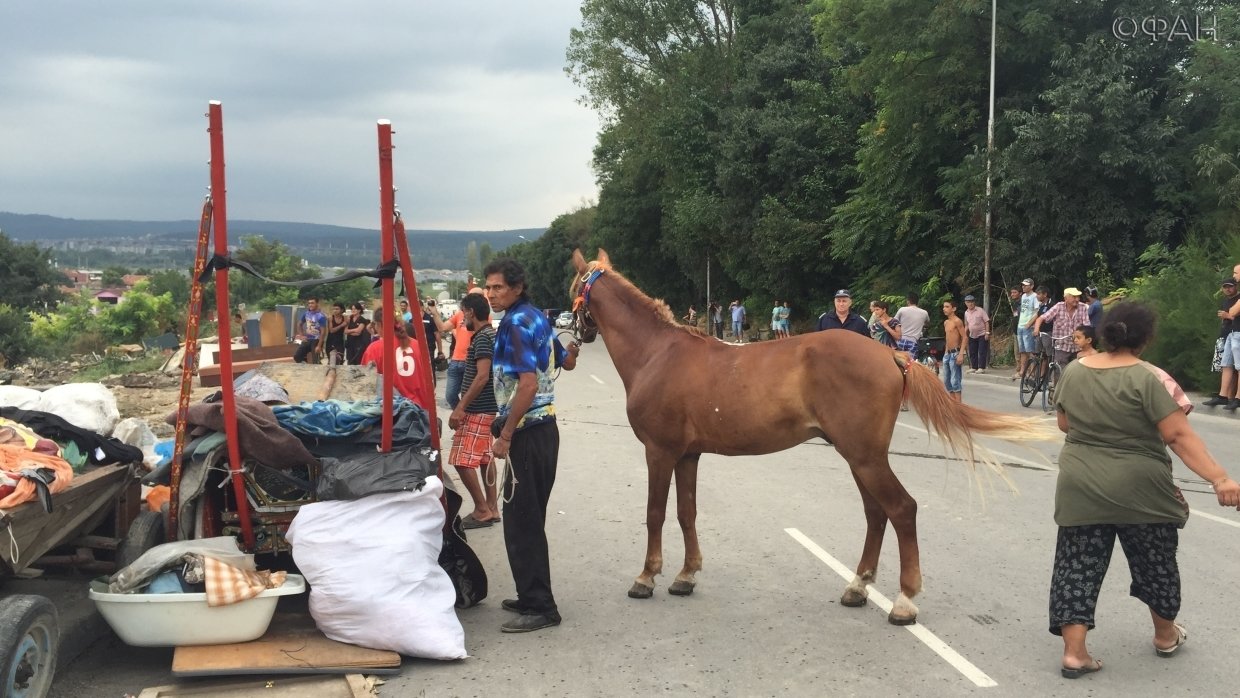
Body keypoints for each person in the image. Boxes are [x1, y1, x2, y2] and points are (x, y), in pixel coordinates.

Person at [1048, 302, 1239, 679]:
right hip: (1142, 489)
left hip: (1080, 485)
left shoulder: (1072, 371)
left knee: (1076, 566)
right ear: (1145, 338)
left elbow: (1065, 424)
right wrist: (1220, 479)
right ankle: (1166, 636)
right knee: (1156, 564)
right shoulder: (1148, 378)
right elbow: (1179, 436)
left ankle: (1074, 654)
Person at [484, 258, 579, 633]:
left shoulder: (516, 323)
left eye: (498, 288)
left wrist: (505, 435)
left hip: (526, 433)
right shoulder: (536, 316)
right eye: (488, 288)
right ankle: (529, 594)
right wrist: (570, 353)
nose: (491, 294)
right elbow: (566, 363)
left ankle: (541, 606)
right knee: (528, 518)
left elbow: (527, 384)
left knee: (521, 521)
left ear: (517, 287)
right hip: (544, 433)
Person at [448, 292, 501, 529]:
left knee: (461, 460)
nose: (462, 319)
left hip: (478, 408)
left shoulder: (481, 338)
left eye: (463, 313)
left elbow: (481, 377)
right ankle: (492, 507)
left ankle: (482, 509)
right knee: (483, 458)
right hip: (487, 408)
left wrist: (460, 408)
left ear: (469, 312)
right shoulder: (490, 334)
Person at [361, 305, 434, 411]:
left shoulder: (375, 349)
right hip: (420, 408)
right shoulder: (418, 345)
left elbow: (366, 384)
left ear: (379, 325)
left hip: (393, 412)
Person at [430, 288, 486, 410]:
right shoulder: (460, 314)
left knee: (470, 397)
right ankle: (461, 415)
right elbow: (443, 327)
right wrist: (434, 312)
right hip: (456, 360)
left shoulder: (485, 318)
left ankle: (464, 417)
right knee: (450, 396)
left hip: (472, 361)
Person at [1202, 277, 1240, 409]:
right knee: (1226, 364)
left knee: (1238, 366)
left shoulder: (1238, 299)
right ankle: (1223, 396)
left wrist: (1227, 315)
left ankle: (1237, 398)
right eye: (1225, 287)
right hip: (1229, 334)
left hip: (1237, 332)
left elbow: (1233, 314)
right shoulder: (1226, 301)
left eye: (1230, 286)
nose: (1227, 289)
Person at [1033, 287, 1091, 367]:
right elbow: (1041, 318)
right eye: (1074, 297)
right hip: (1061, 346)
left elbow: (1087, 326)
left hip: (1077, 347)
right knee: (1060, 371)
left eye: (1078, 297)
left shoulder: (1082, 307)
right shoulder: (1058, 307)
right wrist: (1036, 329)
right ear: (1066, 298)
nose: (1077, 299)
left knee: (1077, 371)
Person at [941, 299, 967, 402]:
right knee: (947, 381)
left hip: (955, 353)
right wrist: (945, 353)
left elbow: (965, 337)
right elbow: (947, 338)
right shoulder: (946, 322)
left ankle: (959, 408)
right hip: (947, 354)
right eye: (944, 307)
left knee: (955, 381)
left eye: (947, 307)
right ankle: (953, 405)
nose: (944, 309)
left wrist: (961, 354)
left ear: (954, 308)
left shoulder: (957, 321)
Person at [1014, 279, 1038, 380]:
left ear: (1032, 286)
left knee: (1031, 350)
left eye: (1026, 285)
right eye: (1022, 285)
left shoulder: (1035, 296)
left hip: (1028, 326)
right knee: (1022, 350)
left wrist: (1030, 323)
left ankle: (1032, 373)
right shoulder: (1023, 296)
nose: (1023, 287)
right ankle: (1022, 371)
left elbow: (1037, 311)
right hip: (1020, 325)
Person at [894, 292, 930, 359]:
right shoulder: (924, 313)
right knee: (911, 364)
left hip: (901, 341)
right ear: (917, 302)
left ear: (908, 301)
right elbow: (927, 323)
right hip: (913, 342)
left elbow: (894, 322)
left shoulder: (902, 310)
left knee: (898, 361)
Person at [293, 297, 326, 364]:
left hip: (316, 340)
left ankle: (317, 370)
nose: (310, 305)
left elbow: (323, 332)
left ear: (317, 304)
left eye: (312, 303)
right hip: (307, 339)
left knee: (315, 361)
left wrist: (319, 346)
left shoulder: (321, 316)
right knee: (297, 356)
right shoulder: (306, 314)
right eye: (309, 303)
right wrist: (302, 336)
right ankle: (307, 366)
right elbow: (299, 324)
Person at [963, 295, 990, 373]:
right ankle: (974, 367)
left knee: (982, 351)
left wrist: (987, 333)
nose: (970, 304)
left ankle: (981, 367)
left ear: (974, 302)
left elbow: (987, 322)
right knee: (972, 351)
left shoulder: (980, 310)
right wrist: (965, 335)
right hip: (972, 334)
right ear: (965, 303)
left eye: (972, 302)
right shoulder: (966, 313)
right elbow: (966, 325)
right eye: (968, 302)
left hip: (982, 333)